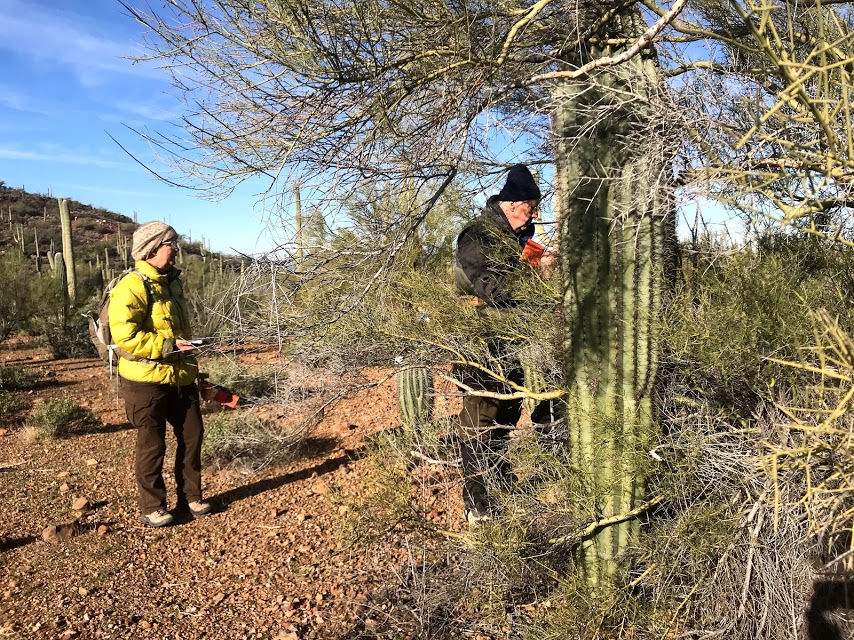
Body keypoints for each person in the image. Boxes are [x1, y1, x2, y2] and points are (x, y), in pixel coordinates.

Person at [454, 164, 556, 526]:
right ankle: (478, 505)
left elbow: (531, 285)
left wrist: (544, 266)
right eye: (530, 207)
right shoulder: (477, 236)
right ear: (512, 203)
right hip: (481, 341)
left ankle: (497, 485)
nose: (534, 215)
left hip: (512, 340)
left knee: (507, 416)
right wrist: (536, 272)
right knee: (481, 417)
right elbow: (490, 287)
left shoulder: (522, 235)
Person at [110, 221, 211, 528]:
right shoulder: (132, 285)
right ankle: (153, 506)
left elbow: (179, 330)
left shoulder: (173, 282)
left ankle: (191, 497)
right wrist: (166, 346)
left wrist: (191, 360)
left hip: (181, 375)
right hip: (145, 380)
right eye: (171, 244)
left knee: (192, 436)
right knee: (152, 444)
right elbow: (125, 336)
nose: (177, 249)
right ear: (152, 248)